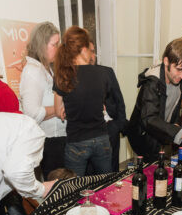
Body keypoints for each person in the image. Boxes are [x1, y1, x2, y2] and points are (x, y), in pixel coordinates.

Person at [125, 38, 182, 162]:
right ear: (166, 61)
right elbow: (150, 119)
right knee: (148, 175)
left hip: (162, 137)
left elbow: (174, 107)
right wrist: (180, 133)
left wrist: (176, 125)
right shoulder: (152, 83)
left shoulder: (179, 80)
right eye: (179, 69)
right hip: (144, 140)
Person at [53, 26, 112, 177]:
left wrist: (67, 108)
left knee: (74, 188)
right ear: (84, 49)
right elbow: (100, 102)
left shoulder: (63, 75)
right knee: (105, 185)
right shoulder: (102, 73)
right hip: (101, 138)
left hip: (76, 142)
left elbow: (58, 110)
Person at [20, 22, 67, 179]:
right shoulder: (32, 71)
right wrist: (58, 109)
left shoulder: (47, 68)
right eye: (55, 44)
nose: (58, 48)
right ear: (41, 45)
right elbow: (32, 114)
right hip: (49, 143)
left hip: (58, 138)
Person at [89, 41, 126, 172]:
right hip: (90, 130)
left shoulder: (107, 72)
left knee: (112, 167)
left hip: (110, 127)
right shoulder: (76, 76)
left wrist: (119, 126)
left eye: (93, 51)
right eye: (88, 51)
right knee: (93, 171)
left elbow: (119, 99)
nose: (91, 55)